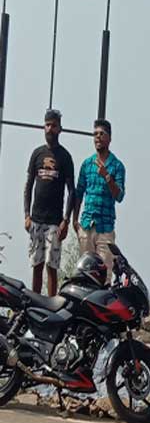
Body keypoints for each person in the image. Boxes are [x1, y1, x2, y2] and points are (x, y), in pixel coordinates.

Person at [23, 109, 75, 296]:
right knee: (36, 264)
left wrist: (66, 220)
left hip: (54, 222)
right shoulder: (37, 154)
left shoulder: (65, 157)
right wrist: (27, 215)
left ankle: (51, 305)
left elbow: (72, 191)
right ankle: (35, 302)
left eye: (53, 125)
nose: (49, 129)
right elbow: (28, 185)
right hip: (36, 219)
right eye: (47, 125)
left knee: (51, 266)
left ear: (60, 128)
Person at [73, 119, 125, 284]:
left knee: (105, 276)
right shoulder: (87, 164)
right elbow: (79, 192)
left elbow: (119, 196)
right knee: (84, 274)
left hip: (105, 227)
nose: (97, 138)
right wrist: (75, 220)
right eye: (95, 134)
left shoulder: (117, 166)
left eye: (101, 134)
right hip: (87, 224)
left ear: (109, 138)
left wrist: (107, 177)